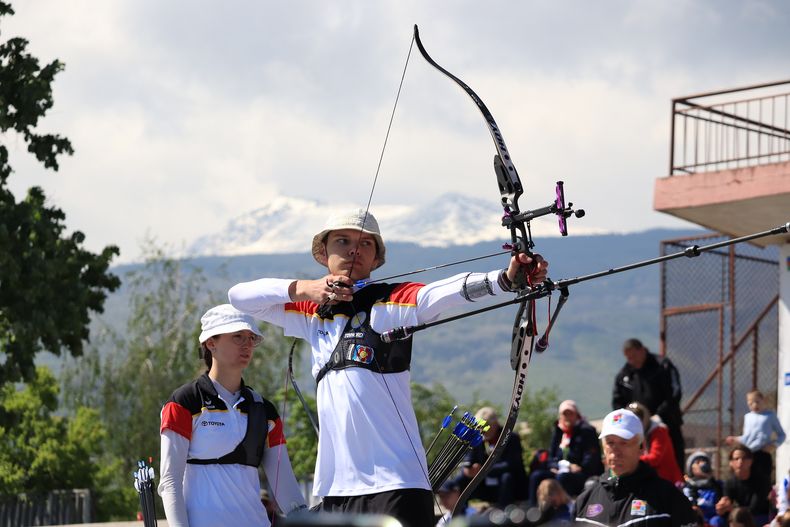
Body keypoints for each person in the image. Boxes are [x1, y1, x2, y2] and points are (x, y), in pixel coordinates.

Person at [228, 209, 548, 527]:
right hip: (336, 489)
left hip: (397, 485)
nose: (355, 249)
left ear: (376, 257)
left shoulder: (390, 303)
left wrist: (505, 279)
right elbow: (239, 297)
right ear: (324, 253)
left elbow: (438, 294)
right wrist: (304, 289)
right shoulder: (311, 313)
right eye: (343, 241)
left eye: (366, 244)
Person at [158, 304, 306, 527]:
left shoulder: (265, 411)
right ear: (211, 343)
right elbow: (170, 482)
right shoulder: (184, 402)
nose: (247, 345)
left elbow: (285, 487)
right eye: (238, 337)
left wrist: (306, 518)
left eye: (251, 338)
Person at [574, 409, 699, 526]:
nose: (616, 451)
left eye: (624, 442)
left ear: (641, 447)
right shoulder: (584, 501)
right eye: (610, 442)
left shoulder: (668, 497)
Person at [612, 338, 686, 472]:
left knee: (672, 460)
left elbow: (675, 392)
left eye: (634, 356)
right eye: (628, 358)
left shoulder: (662, 366)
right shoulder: (625, 375)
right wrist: (626, 421)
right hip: (637, 428)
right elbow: (618, 401)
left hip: (666, 423)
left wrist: (659, 415)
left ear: (642, 350)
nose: (632, 361)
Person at [528, 400, 603, 502]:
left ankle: (565, 509)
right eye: (565, 414)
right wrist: (554, 466)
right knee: (536, 476)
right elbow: (551, 456)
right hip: (560, 469)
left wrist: (578, 467)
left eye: (570, 413)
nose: (567, 417)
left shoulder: (587, 431)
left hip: (581, 473)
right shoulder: (558, 431)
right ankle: (534, 510)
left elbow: (592, 457)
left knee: (562, 478)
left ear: (576, 414)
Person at [459, 407, 529, 508]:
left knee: (507, 477)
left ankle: (503, 512)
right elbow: (469, 459)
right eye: (480, 426)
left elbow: (511, 465)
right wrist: (468, 469)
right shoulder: (478, 438)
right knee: (461, 479)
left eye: (486, 426)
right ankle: (460, 513)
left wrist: (483, 469)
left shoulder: (510, 438)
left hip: (508, 483)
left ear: (495, 424)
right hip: (485, 484)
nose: (482, 430)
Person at [725, 390, 786, 489]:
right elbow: (747, 437)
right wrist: (735, 439)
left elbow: (782, 435)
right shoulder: (748, 417)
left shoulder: (770, 416)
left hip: (762, 453)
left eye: (757, 402)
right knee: (749, 482)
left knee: (763, 482)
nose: (754, 405)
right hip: (748, 454)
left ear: (763, 400)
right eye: (750, 404)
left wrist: (773, 445)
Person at [710, 445, 771, 527]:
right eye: (736, 459)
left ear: (751, 461)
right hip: (737, 515)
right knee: (716, 521)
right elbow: (727, 504)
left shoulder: (761, 480)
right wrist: (722, 508)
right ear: (731, 462)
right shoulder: (729, 483)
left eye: (744, 458)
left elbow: (754, 509)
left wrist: (732, 509)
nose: (740, 461)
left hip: (758, 517)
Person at [627, 401, 683, 485]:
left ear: (644, 418)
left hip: (669, 482)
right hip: (653, 481)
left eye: (638, 419)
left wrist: (630, 459)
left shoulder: (659, 431)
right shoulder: (638, 434)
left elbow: (655, 458)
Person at [682, 450, 722, 524]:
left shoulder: (716, 485)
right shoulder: (687, 487)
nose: (702, 464)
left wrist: (709, 476)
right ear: (691, 467)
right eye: (697, 462)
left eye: (704, 461)